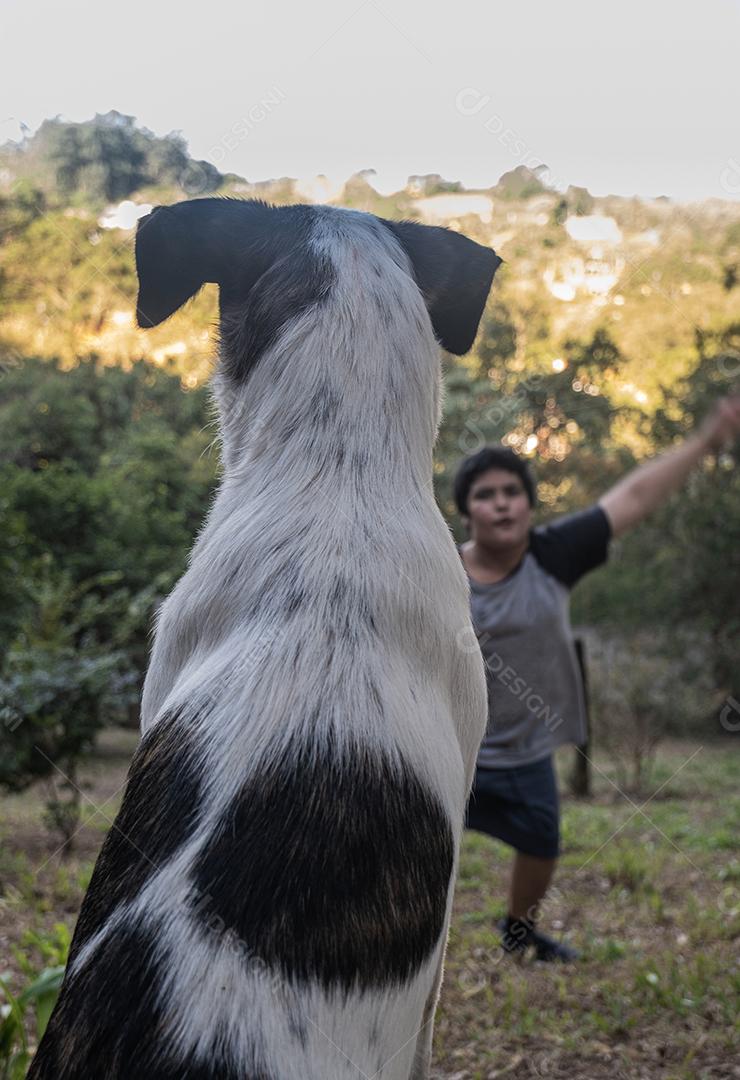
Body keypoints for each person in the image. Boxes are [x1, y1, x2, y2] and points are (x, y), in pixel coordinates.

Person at [454, 394, 740, 962]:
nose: (502, 504)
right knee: (420, 843)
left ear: (530, 505)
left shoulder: (555, 554)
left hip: (527, 750)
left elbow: (632, 497)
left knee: (542, 842)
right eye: (485, 495)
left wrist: (706, 442)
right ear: (467, 512)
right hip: (452, 746)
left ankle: (518, 933)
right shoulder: (439, 570)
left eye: (513, 492)